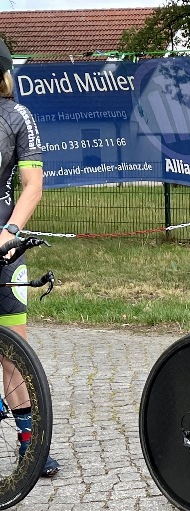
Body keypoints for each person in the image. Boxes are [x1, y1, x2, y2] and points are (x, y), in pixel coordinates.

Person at [0, 39, 60, 477]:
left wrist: (10, 232)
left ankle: (29, 444)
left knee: (13, 351)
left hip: (5, 249)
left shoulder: (17, 116)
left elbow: (33, 184)